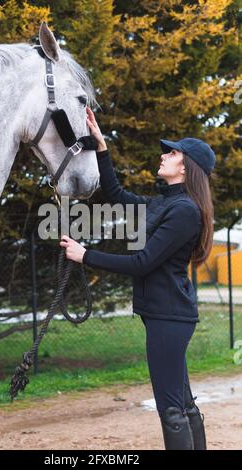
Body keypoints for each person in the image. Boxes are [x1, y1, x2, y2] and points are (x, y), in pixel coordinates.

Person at [60, 106, 216, 450]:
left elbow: (143, 262)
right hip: (166, 315)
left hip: (168, 317)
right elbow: (116, 195)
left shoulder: (184, 212)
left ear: (187, 167)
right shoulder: (164, 204)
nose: (164, 155)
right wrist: (101, 146)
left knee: (171, 406)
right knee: (182, 401)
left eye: (172, 152)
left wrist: (86, 255)